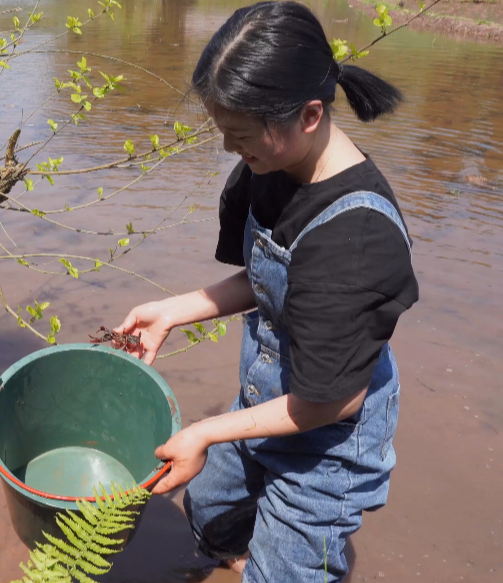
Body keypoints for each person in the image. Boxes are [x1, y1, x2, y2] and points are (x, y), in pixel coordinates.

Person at [113, 2, 419, 581]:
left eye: (242, 136)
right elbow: (265, 280)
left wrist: (203, 431)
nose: (232, 149)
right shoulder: (266, 166)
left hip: (330, 440)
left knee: (286, 569)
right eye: (225, 133)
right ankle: (242, 554)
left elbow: (334, 402)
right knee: (207, 509)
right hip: (270, 396)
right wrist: (174, 311)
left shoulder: (355, 242)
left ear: (308, 115)